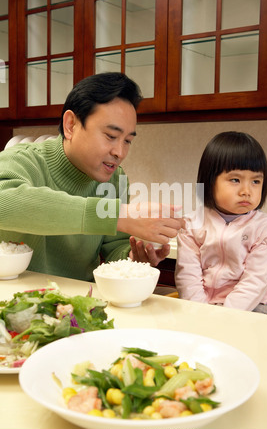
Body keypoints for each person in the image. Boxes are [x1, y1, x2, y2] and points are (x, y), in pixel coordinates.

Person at [0, 72, 184, 281]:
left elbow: (115, 248)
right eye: (111, 136)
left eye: (127, 141)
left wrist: (133, 258)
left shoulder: (115, 180)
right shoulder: (21, 161)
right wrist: (116, 215)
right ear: (71, 125)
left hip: (79, 307)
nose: (120, 152)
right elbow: (4, 202)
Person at [175, 131, 267, 315]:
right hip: (202, 306)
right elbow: (187, 277)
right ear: (209, 181)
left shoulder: (265, 228)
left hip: (250, 308)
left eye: (256, 181)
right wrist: (202, 312)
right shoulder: (192, 224)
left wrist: (224, 315)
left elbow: (255, 282)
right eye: (235, 180)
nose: (246, 191)